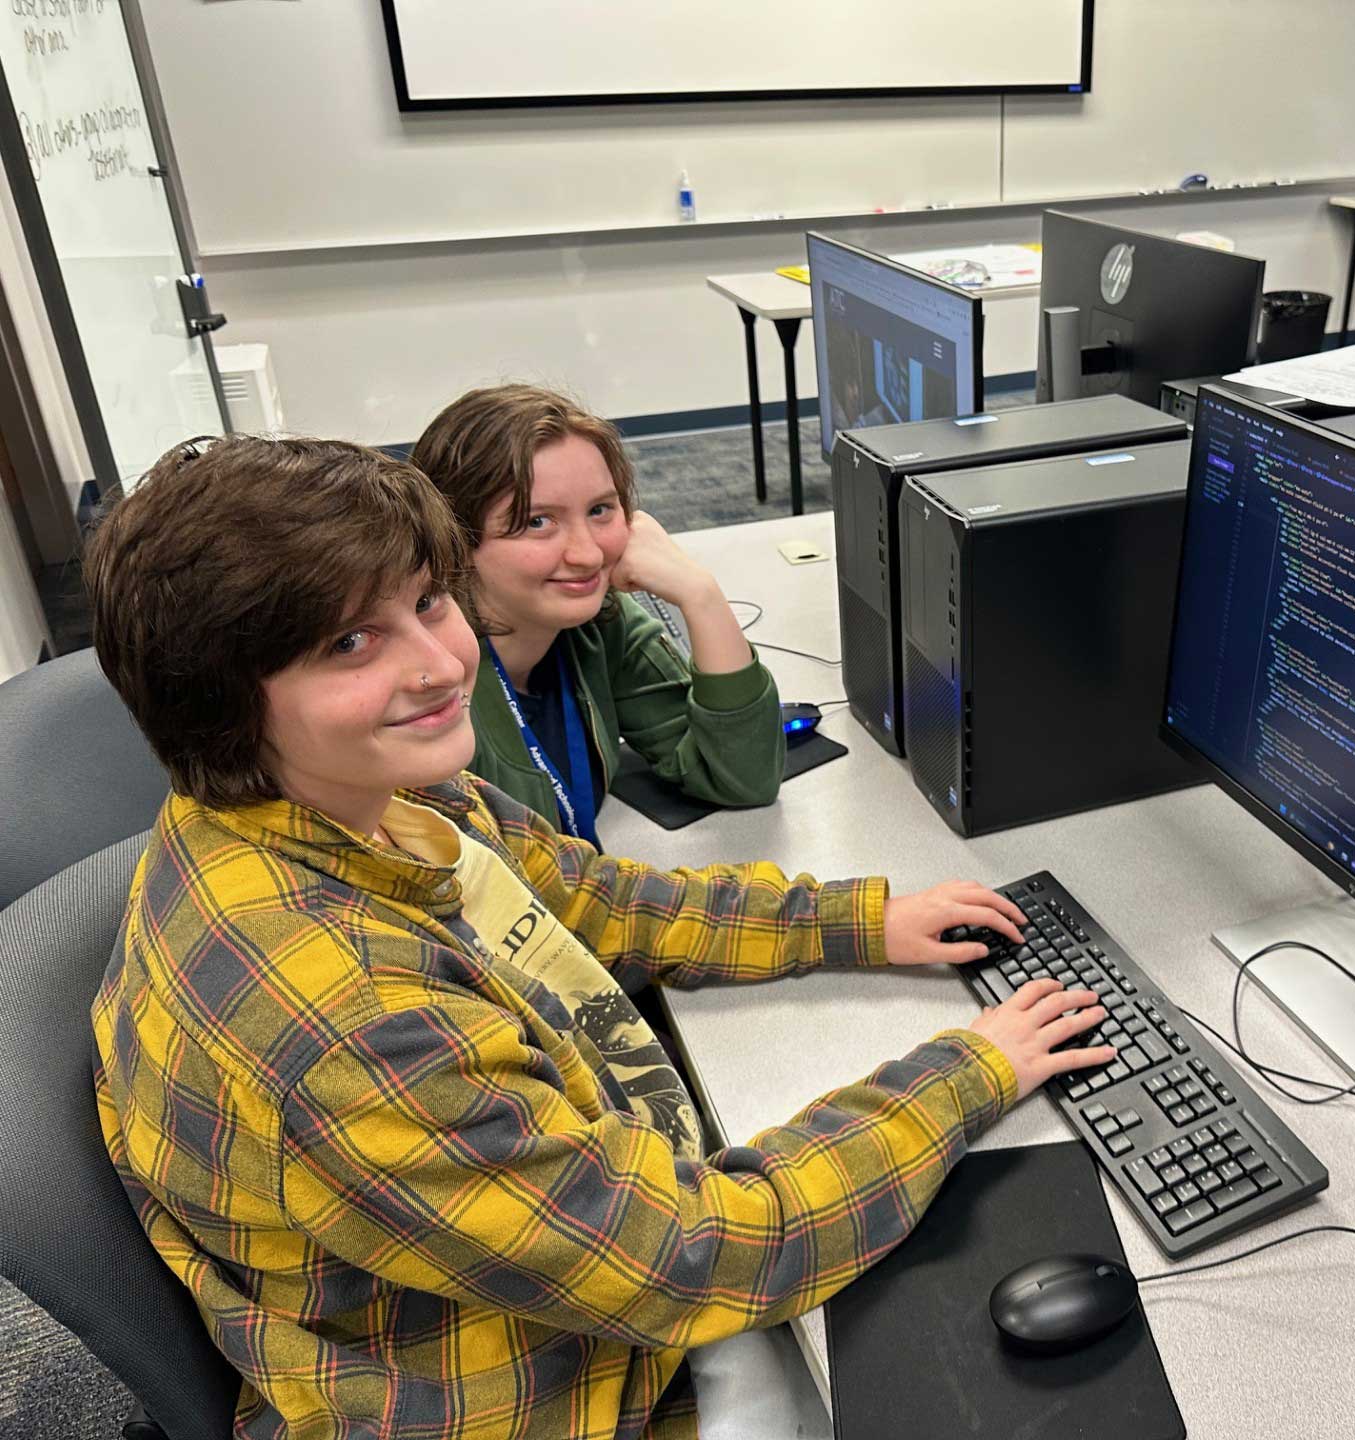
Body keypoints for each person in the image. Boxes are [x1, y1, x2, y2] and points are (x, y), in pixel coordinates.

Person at [86, 435, 1116, 1440]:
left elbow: (601, 903)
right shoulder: (344, 1016)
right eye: (350, 643)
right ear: (217, 700)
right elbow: (701, 1256)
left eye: (429, 603)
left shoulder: (379, 798)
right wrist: (970, 1070)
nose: (441, 664)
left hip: (563, 1270)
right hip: (539, 1386)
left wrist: (861, 922)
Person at [411, 384, 782, 843]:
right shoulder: (426, 681)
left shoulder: (597, 624)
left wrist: (701, 595)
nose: (587, 555)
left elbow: (743, 778)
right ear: (455, 539)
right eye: (537, 522)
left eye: (601, 510)